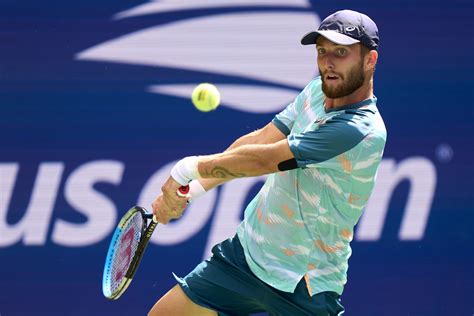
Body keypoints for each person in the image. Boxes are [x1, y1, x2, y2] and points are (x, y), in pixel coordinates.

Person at [149, 9, 386, 316]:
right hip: (247, 256)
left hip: (305, 284)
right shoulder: (317, 90)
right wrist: (190, 191)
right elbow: (261, 139)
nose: (328, 62)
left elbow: (266, 159)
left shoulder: (359, 129)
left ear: (370, 60)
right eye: (322, 51)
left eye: (341, 52)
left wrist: (185, 170)